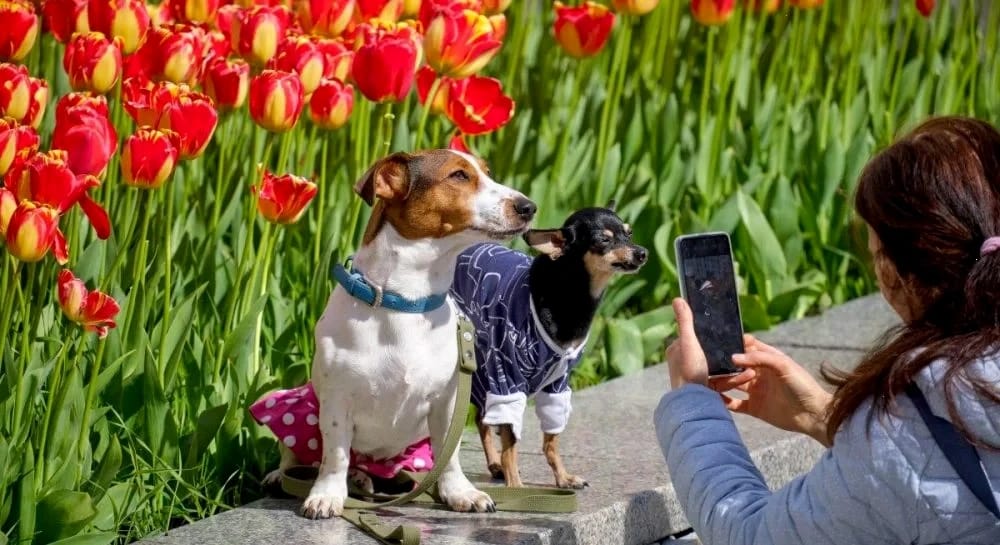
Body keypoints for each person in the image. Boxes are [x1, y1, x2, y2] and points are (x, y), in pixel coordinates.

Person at [655, 116, 1000, 544]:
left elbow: (747, 535)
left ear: (895, 271)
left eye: (873, 251)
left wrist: (692, 400)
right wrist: (825, 416)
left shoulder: (906, 421)